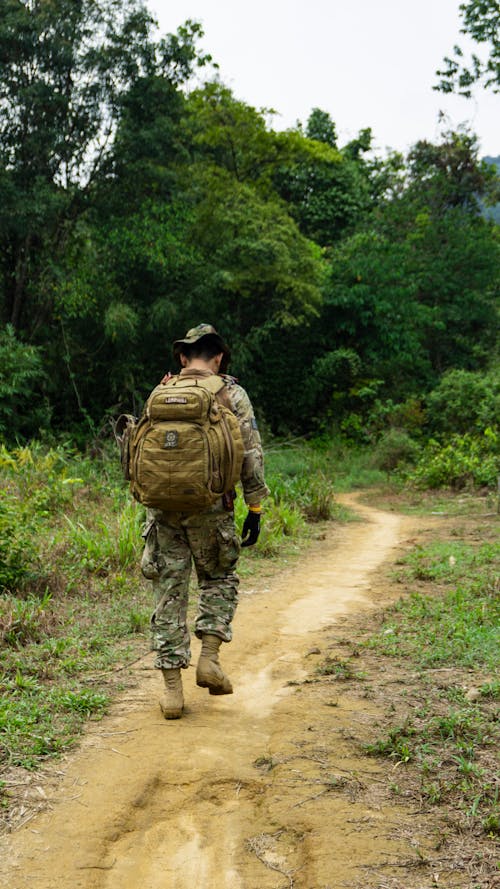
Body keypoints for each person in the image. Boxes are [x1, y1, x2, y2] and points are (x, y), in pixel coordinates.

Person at [140, 323, 269, 719]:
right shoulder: (231, 393)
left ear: (183, 358)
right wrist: (255, 507)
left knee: (169, 593)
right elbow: (250, 451)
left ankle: (172, 692)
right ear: (218, 358)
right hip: (212, 510)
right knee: (218, 579)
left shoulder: (160, 392)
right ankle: (209, 659)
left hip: (163, 513)